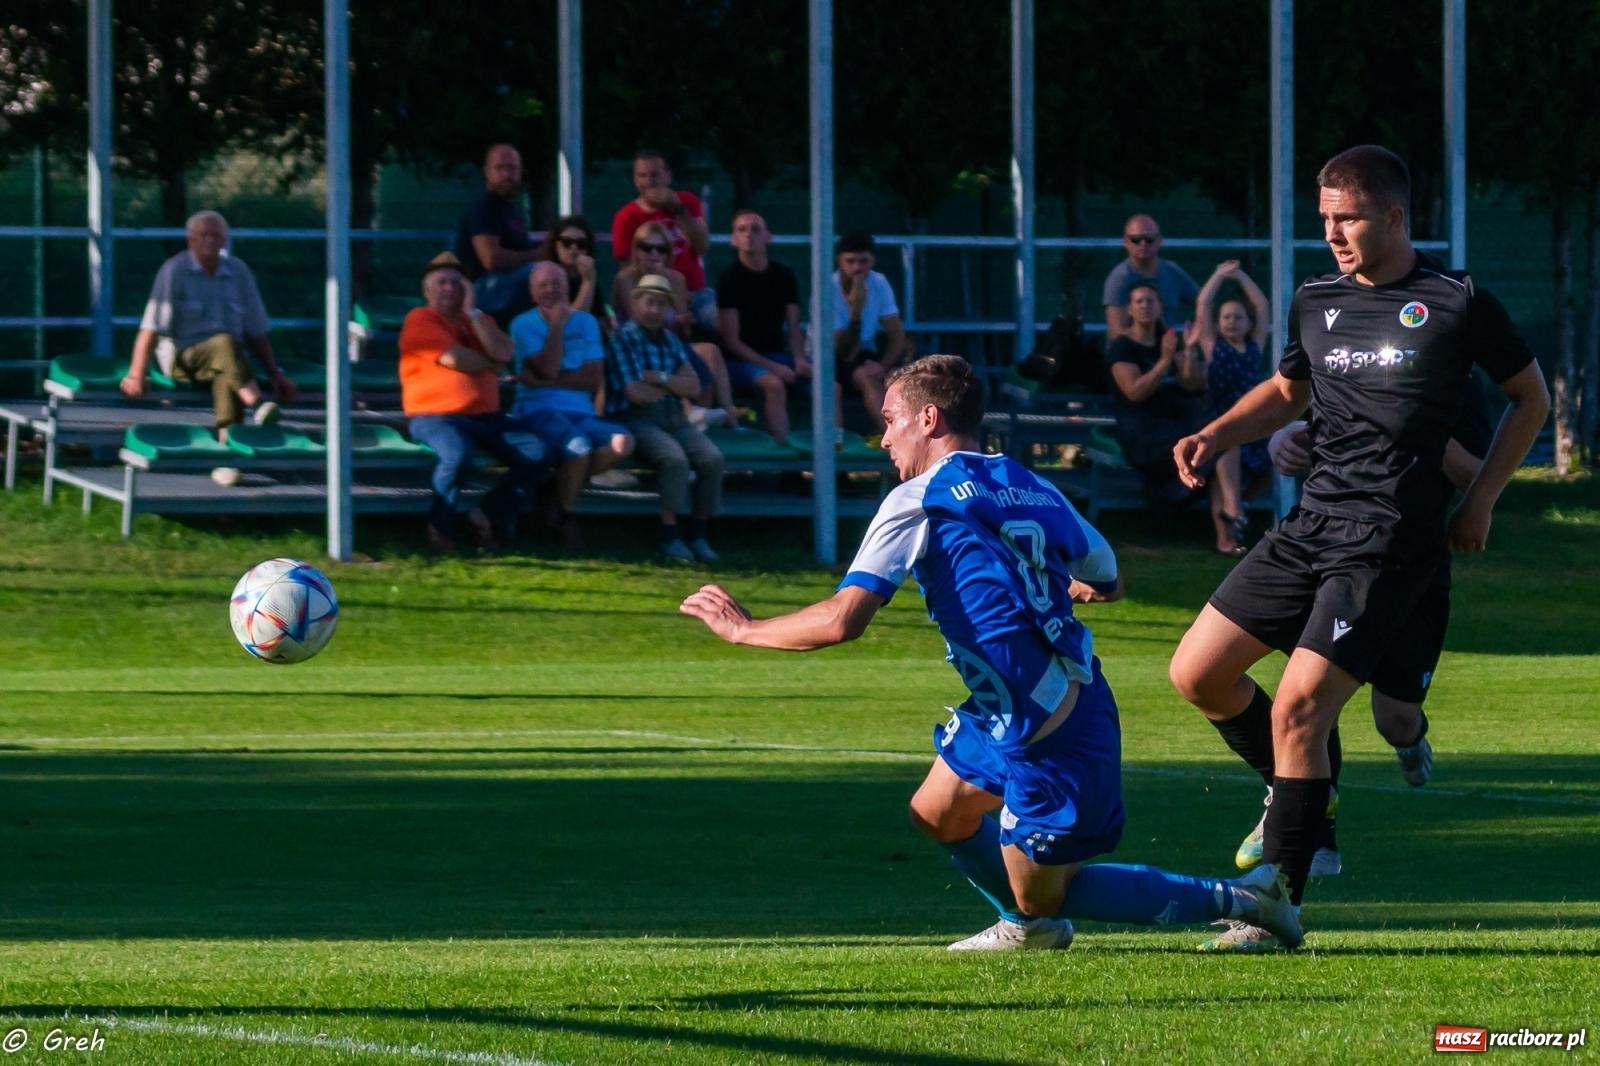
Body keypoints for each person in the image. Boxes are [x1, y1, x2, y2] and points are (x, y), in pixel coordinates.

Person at [680, 354, 1302, 952]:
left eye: (891, 420)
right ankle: (1025, 927)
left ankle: (1248, 900)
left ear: (929, 420)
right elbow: (1108, 574)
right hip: (1019, 703)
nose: (884, 439)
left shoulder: (920, 497)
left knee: (1047, 897)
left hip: (1047, 727)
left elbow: (844, 620)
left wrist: (745, 630)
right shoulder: (1030, 485)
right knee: (936, 812)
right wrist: (1063, 587)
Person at [1168, 145, 1550, 951]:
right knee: (1197, 672)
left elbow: (1531, 397)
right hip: (1312, 524)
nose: (1335, 233)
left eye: (1349, 218)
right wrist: (1214, 433)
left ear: (1396, 217)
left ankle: (1278, 897)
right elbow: (1286, 393)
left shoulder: (1454, 300)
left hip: (1390, 540)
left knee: (1307, 707)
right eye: (1326, 220)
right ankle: (1305, 794)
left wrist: (1480, 498)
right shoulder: (1316, 300)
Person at [398, 252, 548, 554]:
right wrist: (491, 364)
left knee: (536, 452)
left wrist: (474, 314)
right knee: (457, 456)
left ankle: (486, 515)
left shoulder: (481, 320)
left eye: (457, 283)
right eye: (442, 282)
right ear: (427, 290)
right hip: (435, 416)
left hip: (487, 417)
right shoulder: (420, 319)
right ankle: (440, 529)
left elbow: (505, 353)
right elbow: (457, 359)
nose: (450, 289)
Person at [121, 210, 296, 436]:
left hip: (229, 359)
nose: (210, 240)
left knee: (226, 369)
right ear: (191, 239)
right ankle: (256, 403)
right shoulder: (174, 270)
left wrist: (275, 374)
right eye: (203, 235)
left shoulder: (239, 271)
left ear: (225, 240)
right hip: (184, 357)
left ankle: (228, 446)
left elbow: (257, 329)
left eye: (216, 235)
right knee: (225, 345)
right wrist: (136, 375)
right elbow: (151, 326)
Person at [510, 262, 635, 551]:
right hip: (536, 411)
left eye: (557, 284)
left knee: (623, 442)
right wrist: (556, 328)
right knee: (578, 447)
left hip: (581, 412)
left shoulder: (587, 322)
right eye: (543, 285)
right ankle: (566, 516)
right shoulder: (522, 324)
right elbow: (548, 368)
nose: (551, 290)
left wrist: (545, 380)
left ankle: (554, 492)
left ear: (568, 288)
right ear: (532, 291)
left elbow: (592, 377)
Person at [606, 274, 725, 564]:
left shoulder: (671, 340)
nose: (655, 310)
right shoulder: (624, 338)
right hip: (637, 419)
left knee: (712, 457)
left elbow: (694, 387)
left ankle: (699, 531)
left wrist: (658, 378)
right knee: (674, 459)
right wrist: (673, 383)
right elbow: (634, 392)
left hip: (674, 417)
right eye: (650, 302)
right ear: (636, 304)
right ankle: (670, 532)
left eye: (662, 304)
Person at [716, 209, 829, 446]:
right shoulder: (729, 279)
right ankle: (785, 461)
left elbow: (793, 325)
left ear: (768, 236)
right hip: (740, 362)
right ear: (733, 239)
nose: (749, 235)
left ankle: (833, 460)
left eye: (756, 229)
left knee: (831, 386)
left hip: (778, 357)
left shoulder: (784, 276)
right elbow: (732, 341)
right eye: (742, 230)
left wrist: (799, 359)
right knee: (773, 385)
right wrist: (773, 367)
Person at [613, 222, 739, 428]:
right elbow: (638, 320)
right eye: (647, 248)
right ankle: (690, 416)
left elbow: (685, 330)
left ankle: (731, 419)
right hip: (637, 345)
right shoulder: (625, 278)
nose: (654, 254)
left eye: (661, 249)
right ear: (637, 250)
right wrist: (670, 317)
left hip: (672, 342)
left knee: (710, 352)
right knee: (674, 360)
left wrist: (668, 286)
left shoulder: (676, 278)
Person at [1104, 283, 1207, 513]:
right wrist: (1163, 362)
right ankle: (1171, 499)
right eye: (1139, 301)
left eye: (1151, 301)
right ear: (1129, 309)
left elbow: (1190, 385)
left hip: (1178, 423)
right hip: (1143, 432)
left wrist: (1189, 350)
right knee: (1215, 447)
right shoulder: (1122, 347)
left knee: (1220, 441)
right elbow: (1135, 392)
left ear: (1160, 307)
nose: (1145, 306)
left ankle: (1225, 513)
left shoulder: (1167, 339)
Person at [1191, 260, 1272, 554]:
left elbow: (1261, 306)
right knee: (1228, 448)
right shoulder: (1214, 347)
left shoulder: (1254, 348)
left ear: (1248, 324)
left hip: (1251, 422)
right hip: (1218, 419)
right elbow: (1203, 304)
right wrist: (1217, 274)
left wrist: (1240, 277)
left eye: (1238, 317)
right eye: (1225, 317)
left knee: (1267, 458)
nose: (1231, 322)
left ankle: (1236, 510)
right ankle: (1231, 523)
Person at [610, 149, 716, 330]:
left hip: (694, 291)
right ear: (635, 179)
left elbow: (702, 246)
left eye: (654, 174)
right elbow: (626, 270)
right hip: (654, 294)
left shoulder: (687, 201)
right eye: (642, 175)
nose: (649, 181)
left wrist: (679, 209)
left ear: (668, 176)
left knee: (715, 319)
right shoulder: (626, 216)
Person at [455, 144, 541, 324]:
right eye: (499, 168)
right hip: (480, 290)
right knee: (543, 273)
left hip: (506, 285)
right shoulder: (485, 208)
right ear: (487, 171)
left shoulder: (513, 208)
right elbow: (491, 259)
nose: (506, 175)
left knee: (564, 271)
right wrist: (537, 255)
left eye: (511, 168)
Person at [833, 231, 910, 431]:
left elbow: (896, 336)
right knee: (866, 377)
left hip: (865, 351)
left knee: (901, 376)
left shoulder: (879, 282)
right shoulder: (828, 288)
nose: (857, 268)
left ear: (872, 261)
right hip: (830, 356)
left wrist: (882, 366)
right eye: (850, 261)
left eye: (863, 261)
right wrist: (855, 312)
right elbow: (845, 352)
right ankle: (893, 439)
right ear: (839, 261)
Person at [1102, 215, 1199, 341]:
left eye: (1150, 239)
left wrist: (1198, 327)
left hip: (1167, 346)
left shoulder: (1172, 271)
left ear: (1159, 241)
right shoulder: (1119, 278)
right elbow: (1117, 332)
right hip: (1130, 353)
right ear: (1125, 242)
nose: (1143, 244)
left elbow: (1202, 301)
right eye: (1136, 239)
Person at [533, 214, 601, 316]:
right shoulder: (547, 279)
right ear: (555, 245)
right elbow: (573, 322)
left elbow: (601, 319)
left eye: (581, 243)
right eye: (567, 242)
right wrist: (588, 282)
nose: (574, 248)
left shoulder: (589, 275)